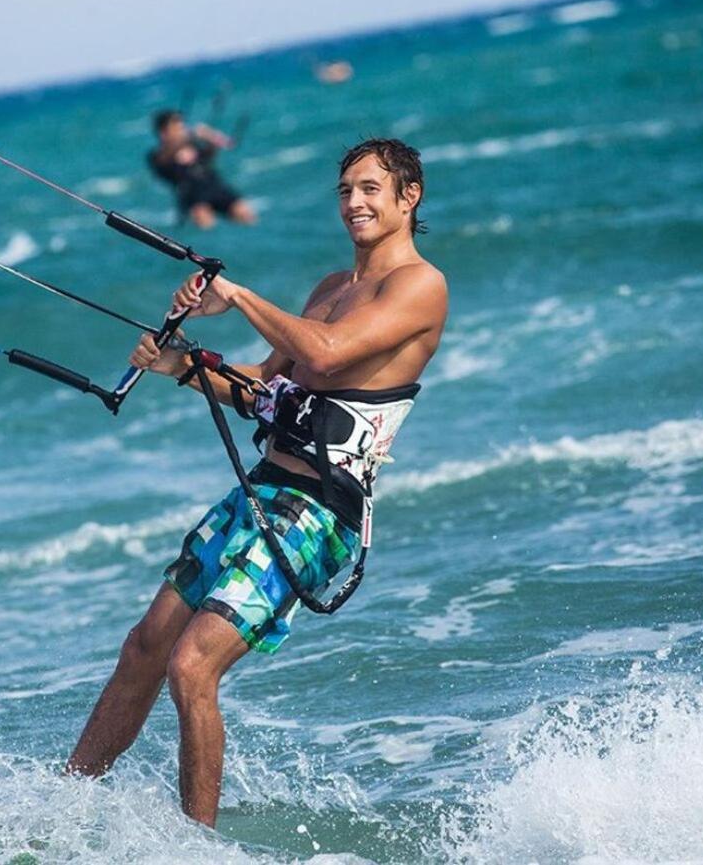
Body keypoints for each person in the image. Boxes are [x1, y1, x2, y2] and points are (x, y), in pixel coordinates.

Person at [67, 138, 448, 827]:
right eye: (344, 191)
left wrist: (237, 294)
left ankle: (196, 847)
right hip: (260, 492)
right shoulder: (331, 288)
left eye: (369, 189)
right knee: (146, 645)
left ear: (407, 196)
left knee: (191, 666)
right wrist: (178, 365)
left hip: (318, 515)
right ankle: (63, 804)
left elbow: (326, 351)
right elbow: (259, 387)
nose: (353, 203)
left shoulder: (420, 286)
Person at [147, 109, 257, 229]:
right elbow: (163, 166)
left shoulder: (192, 143)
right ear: (163, 133)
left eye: (181, 126)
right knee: (205, 221)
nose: (182, 130)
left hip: (214, 185)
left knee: (246, 214)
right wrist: (178, 151)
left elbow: (218, 150)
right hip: (193, 195)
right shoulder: (157, 155)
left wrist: (210, 136)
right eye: (176, 128)